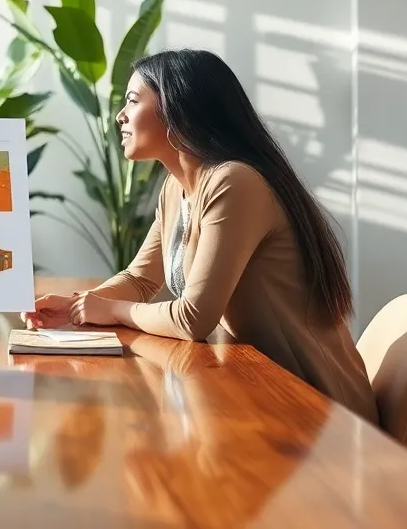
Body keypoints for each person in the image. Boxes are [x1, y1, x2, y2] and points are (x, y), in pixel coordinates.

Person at [23, 49, 379, 425]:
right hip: (256, 393)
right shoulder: (175, 189)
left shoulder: (234, 182)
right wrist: (78, 306)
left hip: (317, 408)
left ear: (177, 109)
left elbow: (193, 318)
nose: (120, 116)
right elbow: (140, 279)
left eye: (133, 100)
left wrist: (111, 311)